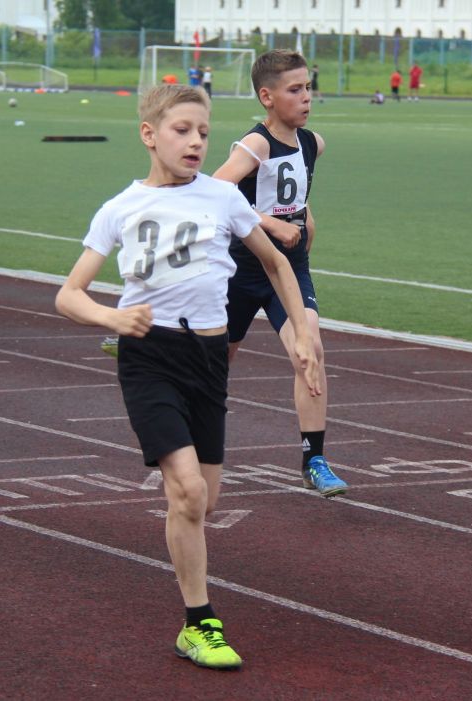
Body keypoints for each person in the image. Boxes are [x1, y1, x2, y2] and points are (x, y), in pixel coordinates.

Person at [55, 83, 320, 670]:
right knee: (189, 490)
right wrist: (111, 317)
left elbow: (277, 263)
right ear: (149, 135)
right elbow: (69, 295)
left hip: (208, 358)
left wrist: (302, 335)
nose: (195, 141)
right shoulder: (120, 207)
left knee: (203, 501)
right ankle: (199, 624)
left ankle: (191, 583)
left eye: (203, 131)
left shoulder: (222, 198)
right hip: (149, 355)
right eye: (182, 130)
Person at [212, 49, 348, 498]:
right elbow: (215, 188)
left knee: (310, 350)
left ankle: (315, 460)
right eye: (295, 90)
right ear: (267, 97)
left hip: (288, 269)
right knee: (215, 360)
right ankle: (192, 430)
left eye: (308, 87)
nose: (306, 97)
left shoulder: (313, 143)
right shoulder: (256, 145)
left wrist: (307, 220)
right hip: (242, 267)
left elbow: (295, 194)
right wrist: (269, 224)